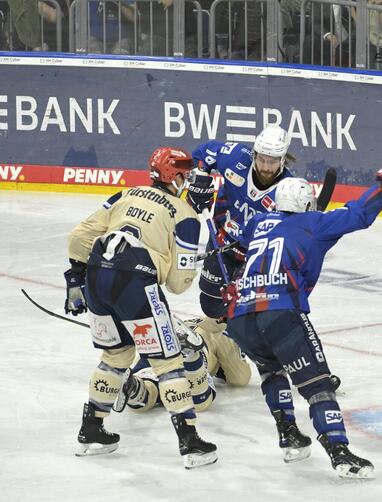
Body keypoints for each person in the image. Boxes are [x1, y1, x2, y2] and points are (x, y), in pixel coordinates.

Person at [224, 154, 382, 478]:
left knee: (271, 369)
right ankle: (339, 452)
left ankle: (289, 435)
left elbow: (233, 253)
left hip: (240, 316)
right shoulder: (315, 224)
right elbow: (359, 214)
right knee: (318, 385)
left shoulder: (258, 223)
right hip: (280, 312)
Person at [65, 147, 218, 469]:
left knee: (116, 356)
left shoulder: (124, 194)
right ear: (171, 175)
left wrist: (75, 278)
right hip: (135, 283)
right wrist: (180, 259)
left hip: (96, 277)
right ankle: (190, 442)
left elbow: (79, 237)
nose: (186, 179)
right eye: (183, 174)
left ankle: (92, 430)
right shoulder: (184, 213)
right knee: (168, 362)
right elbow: (179, 284)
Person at [188, 125, 295, 321]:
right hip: (221, 241)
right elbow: (203, 153)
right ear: (254, 154)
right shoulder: (236, 157)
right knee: (211, 305)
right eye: (261, 158)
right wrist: (200, 178)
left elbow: (292, 233)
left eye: (272, 162)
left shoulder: (288, 190)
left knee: (250, 310)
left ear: (282, 160)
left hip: (255, 257)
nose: (265, 167)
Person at [113, 316, 252, 413]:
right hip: (194, 357)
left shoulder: (194, 320)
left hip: (156, 351)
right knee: (200, 403)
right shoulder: (223, 328)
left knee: (149, 393)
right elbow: (240, 378)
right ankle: (191, 356)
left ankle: (132, 386)